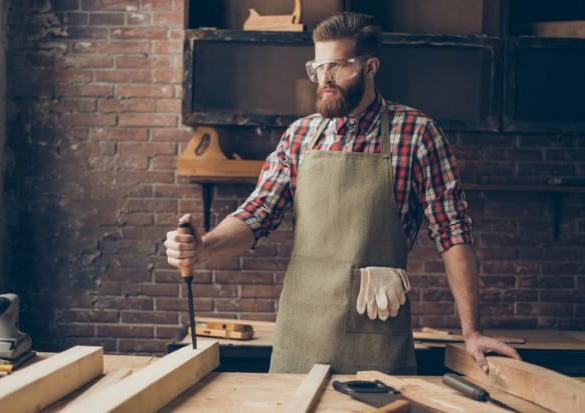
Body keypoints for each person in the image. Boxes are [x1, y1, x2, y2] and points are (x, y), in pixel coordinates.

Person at [165, 12, 520, 374]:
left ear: (370, 67)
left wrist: (471, 331)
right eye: (318, 67)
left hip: (375, 337)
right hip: (301, 337)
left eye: (337, 66)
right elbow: (257, 213)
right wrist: (205, 246)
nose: (324, 79)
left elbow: (452, 234)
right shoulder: (300, 136)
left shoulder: (417, 134)